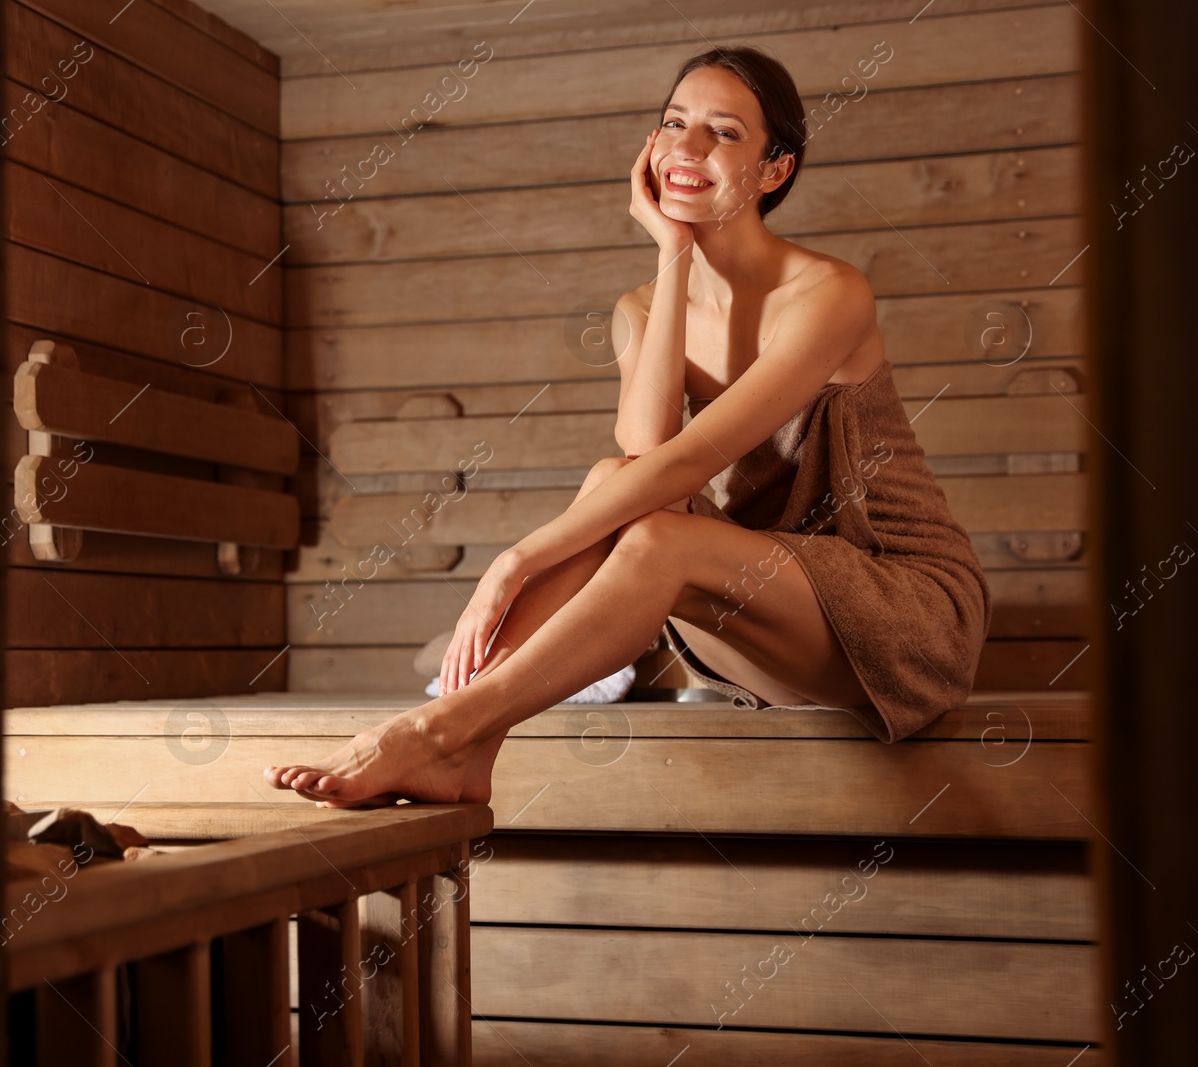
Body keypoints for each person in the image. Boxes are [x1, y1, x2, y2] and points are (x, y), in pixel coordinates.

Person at [264, 45, 991, 808]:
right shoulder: (640, 309)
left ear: (775, 171)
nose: (689, 146)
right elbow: (644, 460)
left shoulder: (828, 294)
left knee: (648, 522)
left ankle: (439, 732)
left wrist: (511, 560)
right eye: (675, 123)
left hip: (900, 615)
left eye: (724, 132)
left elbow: (684, 467)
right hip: (760, 610)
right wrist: (674, 255)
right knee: (619, 485)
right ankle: (467, 742)